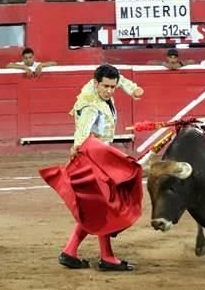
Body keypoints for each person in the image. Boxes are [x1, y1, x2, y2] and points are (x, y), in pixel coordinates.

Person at [40, 64, 143, 272]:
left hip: (102, 157)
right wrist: (77, 146)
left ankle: (71, 252)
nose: (110, 91)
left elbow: (119, 78)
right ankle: (106, 257)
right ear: (96, 83)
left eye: (113, 87)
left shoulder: (101, 84)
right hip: (93, 159)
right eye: (106, 87)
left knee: (96, 207)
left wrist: (132, 88)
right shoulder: (90, 105)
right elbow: (83, 130)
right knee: (105, 207)